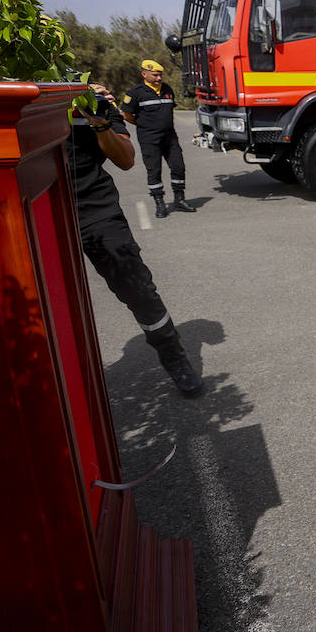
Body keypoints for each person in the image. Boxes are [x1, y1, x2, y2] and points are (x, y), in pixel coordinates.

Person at [70, 85, 203, 396]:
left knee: (138, 289)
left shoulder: (91, 98)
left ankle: (175, 360)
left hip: (94, 211)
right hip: (36, 212)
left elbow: (126, 159)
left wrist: (97, 119)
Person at [121, 59, 193, 218]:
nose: (159, 78)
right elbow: (126, 115)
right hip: (149, 139)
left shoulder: (167, 89)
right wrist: (143, 125)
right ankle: (159, 203)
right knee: (154, 171)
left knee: (178, 166)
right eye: (155, 75)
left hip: (170, 137)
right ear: (144, 74)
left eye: (160, 75)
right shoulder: (135, 93)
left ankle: (179, 200)